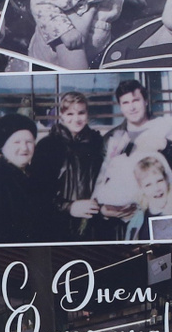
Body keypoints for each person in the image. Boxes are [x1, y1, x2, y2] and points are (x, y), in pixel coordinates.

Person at [35, 90, 115, 240]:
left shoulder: (97, 143)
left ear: (87, 114)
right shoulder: (47, 146)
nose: (76, 119)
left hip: (94, 226)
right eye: (70, 114)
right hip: (59, 228)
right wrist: (69, 207)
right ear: (61, 115)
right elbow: (39, 192)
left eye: (81, 113)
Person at [0, 113, 57, 243]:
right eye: (16, 142)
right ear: (2, 146)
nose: (24, 148)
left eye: (29, 142)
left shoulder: (38, 177)